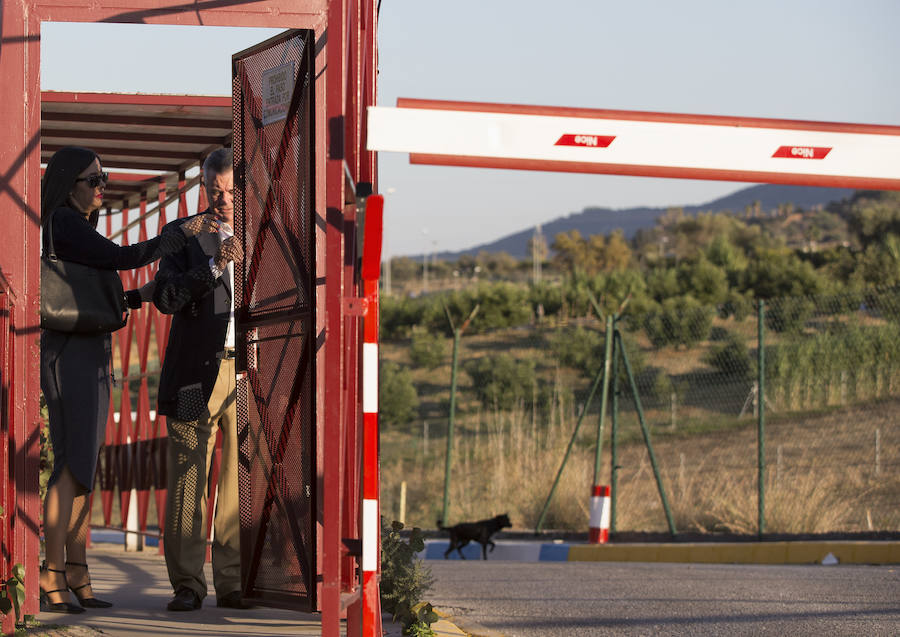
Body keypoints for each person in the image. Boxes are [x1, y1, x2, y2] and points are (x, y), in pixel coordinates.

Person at [39, 146, 218, 613]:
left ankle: (76, 570)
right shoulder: (63, 222)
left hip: (91, 344)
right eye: (93, 180)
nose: (103, 187)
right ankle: (50, 572)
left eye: (104, 178)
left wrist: (146, 294)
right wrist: (187, 231)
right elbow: (124, 256)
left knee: (84, 466)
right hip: (69, 350)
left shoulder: (78, 227)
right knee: (70, 464)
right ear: (68, 184)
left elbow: (107, 286)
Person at [153, 147, 249, 611]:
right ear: (204, 188)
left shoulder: (264, 235)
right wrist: (214, 266)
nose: (225, 199)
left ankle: (232, 582)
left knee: (237, 481)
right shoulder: (182, 234)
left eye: (232, 191)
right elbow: (166, 297)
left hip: (246, 370)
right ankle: (188, 584)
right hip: (195, 372)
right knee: (190, 476)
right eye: (217, 191)